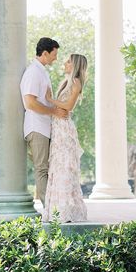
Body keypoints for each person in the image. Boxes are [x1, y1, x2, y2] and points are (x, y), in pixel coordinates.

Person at [20, 37, 67, 206]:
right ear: (45, 53)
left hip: (44, 127)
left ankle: (52, 207)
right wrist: (54, 111)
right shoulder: (33, 73)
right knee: (42, 169)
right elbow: (30, 102)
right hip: (36, 127)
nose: (56, 58)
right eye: (54, 54)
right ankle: (49, 210)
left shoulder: (41, 72)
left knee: (47, 169)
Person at [42, 53, 88, 223]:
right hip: (57, 128)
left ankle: (66, 211)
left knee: (65, 167)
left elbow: (68, 107)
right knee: (57, 167)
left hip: (64, 130)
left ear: (75, 65)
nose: (65, 63)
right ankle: (57, 210)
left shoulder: (76, 82)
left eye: (68, 61)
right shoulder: (65, 82)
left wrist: (49, 99)